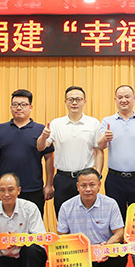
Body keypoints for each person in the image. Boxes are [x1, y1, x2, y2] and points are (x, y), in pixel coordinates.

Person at [56, 168, 127, 267]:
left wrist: (108, 245)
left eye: (92, 185)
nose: (88, 189)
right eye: (84, 185)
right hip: (80, 255)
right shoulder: (66, 207)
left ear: (99, 185)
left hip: (104, 253)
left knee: (121, 252)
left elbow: (119, 233)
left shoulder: (110, 204)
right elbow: (61, 237)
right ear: (77, 187)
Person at [0, 89, 54, 217]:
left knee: (33, 225)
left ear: (30, 107)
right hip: (5, 190)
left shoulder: (40, 129)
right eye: (15, 104)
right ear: (11, 107)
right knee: (1, 224)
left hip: (33, 189)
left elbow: (49, 157)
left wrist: (49, 184)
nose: (19, 108)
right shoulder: (0, 129)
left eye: (23, 104)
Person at [37, 86, 103, 216]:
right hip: (63, 179)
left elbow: (99, 150)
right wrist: (43, 136)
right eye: (71, 99)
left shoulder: (93, 123)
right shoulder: (56, 123)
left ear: (84, 101)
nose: (74, 102)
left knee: (87, 215)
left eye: (78, 99)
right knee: (63, 215)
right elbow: (41, 147)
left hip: (86, 178)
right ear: (65, 101)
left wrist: (98, 175)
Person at [96, 85, 135, 220]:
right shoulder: (107, 121)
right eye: (120, 97)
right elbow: (100, 146)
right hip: (115, 179)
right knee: (115, 219)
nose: (124, 100)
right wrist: (105, 138)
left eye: (127, 97)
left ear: (134, 98)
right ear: (115, 100)